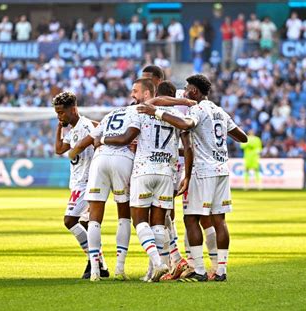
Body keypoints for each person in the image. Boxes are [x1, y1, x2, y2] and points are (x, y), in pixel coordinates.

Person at [136, 74, 248, 282]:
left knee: (191, 218)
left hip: (202, 171)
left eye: (187, 89)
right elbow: (243, 137)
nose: (184, 93)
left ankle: (199, 270)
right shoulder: (220, 111)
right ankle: (221, 271)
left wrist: (157, 112)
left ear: (194, 92)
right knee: (219, 220)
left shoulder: (198, 109)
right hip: (222, 170)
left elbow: (186, 124)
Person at [96, 79, 193, 282]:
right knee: (158, 223)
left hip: (143, 170)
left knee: (140, 221)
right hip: (166, 172)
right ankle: (154, 273)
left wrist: (103, 139)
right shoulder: (175, 116)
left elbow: (129, 136)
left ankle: (158, 264)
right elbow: (186, 145)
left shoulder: (141, 112)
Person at [66, 105, 138, 281]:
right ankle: (119, 269)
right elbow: (130, 139)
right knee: (123, 217)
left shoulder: (110, 115)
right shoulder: (139, 115)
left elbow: (86, 141)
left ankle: (95, 271)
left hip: (100, 161)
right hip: (123, 160)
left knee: (94, 219)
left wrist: (72, 153)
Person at [53, 91, 108, 279]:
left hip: (86, 183)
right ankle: (99, 264)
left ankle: (96, 263)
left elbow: (99, 136)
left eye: (61, 112)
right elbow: (59, 149)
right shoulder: (75, 129)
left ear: (73, 109)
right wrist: (59, 126)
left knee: (70, 221)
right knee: (85, 224)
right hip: (78, 182)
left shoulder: (85, 126)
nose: (59, 116)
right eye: (57, 113)